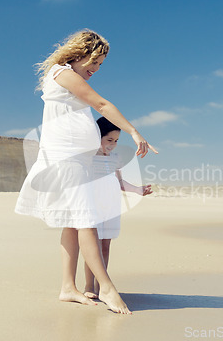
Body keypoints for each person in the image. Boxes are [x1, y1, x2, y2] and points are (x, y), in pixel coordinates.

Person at [14, 29, 157, 314]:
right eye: (95, 61)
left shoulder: (67, 77)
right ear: (80, 54)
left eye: (101, 65)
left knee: (72, 221)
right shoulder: (64, 74)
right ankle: (105, 287)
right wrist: (134, 132)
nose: (96, 69)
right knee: (85, 219)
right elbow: (101, 104)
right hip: (65, 158)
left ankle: (68, 287)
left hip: (77, 159)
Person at [84, 117, 153, 299]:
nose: (113, 145)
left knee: (105, 246)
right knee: (93, 246)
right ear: (97, 136)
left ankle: (102, 285)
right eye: (109, 140)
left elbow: (120, 182)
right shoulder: (89, 156)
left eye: (116, 141)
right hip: (93, 205)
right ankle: (88, 285)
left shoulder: (115, 158)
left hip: (112, 206)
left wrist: (138, 189)